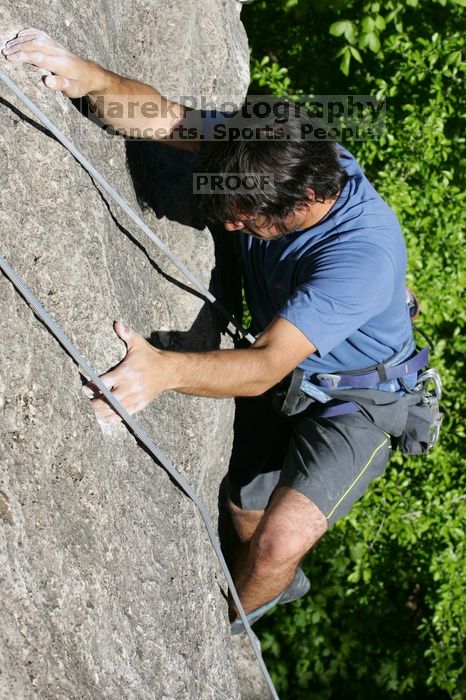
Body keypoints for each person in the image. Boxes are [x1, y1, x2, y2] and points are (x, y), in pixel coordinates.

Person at [3, 28, 427, 633]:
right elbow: (168, 120)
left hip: (358, 398)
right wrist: (88, 76)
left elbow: (262, 366)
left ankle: (235, 626)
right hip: (293, 367)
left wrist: (163, 370)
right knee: (244, 504)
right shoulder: (271, 155)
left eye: (248, 218)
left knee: (278, 544)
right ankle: (267, 577)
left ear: (306, 202)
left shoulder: (360, 259)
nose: (232, 225)